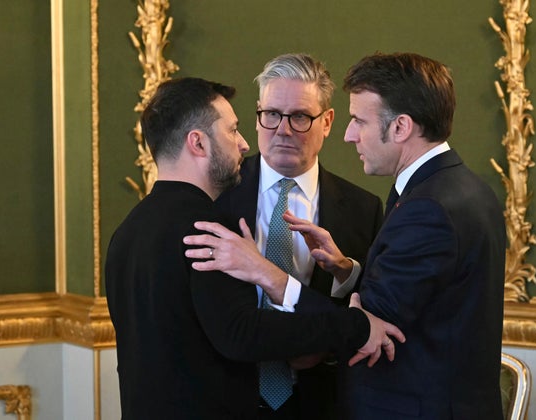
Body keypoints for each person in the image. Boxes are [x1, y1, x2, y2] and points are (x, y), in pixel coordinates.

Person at [187, 52, 506, 419]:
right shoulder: (210, 196)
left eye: (358, 121)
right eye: (271, 115)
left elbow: (367, 327)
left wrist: (267, 274)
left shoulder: (408, 206)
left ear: (400, 127)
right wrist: (349, 274)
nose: (350, 135)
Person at [105, 77, 403, 420]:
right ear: (198, 143)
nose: (244, 143)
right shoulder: (210, 229)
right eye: (232, 131)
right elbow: (243, 333)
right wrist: (356, 326)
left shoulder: (127, 230)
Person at [212, 53, 384, 419]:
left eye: (301, 117)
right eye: (271, 114)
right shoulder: (215, 197)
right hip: (228, 396)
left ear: (328, 122)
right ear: (257, 115)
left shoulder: (362, 208)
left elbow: (368, 312)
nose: (284, 129)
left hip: (322, 403)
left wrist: (345, 272)